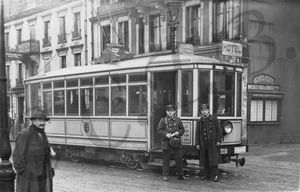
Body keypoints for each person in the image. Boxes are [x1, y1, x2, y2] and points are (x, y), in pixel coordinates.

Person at [13, 109, 55, 192]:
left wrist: (49, 169)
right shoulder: (24, 134)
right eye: (39, 120)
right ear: (33, 121)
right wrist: (24, 172)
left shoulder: (42, 134)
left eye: (44, 120)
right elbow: (17, 156)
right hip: (29, 177)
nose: (42, 123)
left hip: (43, 175)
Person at [157, 104, 187, 181]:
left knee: (179, 159)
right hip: (166, 142)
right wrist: (166, 134)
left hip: (176, 142)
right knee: (166, 160)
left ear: (174, 111)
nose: (170, 113)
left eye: (171, 111)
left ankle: (180, 174)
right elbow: (159, 130)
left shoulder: (178, 120)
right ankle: (165, 175)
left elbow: (182, 129)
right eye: (168, 111)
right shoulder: (163, 120)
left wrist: (178, 133)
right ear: (166, 112)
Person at [195, 104, 222, 182]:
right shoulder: (200, 121)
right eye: (203, 110)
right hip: (204, 143)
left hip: (212, 143)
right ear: (201, 111)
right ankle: (207, 174)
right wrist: (197, 143)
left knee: (214, 160)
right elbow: (197, 133)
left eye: (206, 110)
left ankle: (215, 175)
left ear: (208, 111)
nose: (204, 112)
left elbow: (219, 131)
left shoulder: (213, 119)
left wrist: (218, 140)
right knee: (205, 159)